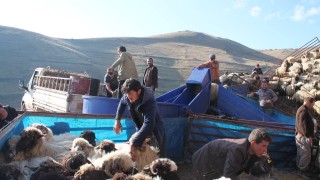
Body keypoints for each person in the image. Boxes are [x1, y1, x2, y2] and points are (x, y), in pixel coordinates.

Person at [113, 78, 166, 159]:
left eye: (130, 93)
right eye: (126, 94)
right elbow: (122, 102)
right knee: (140, 158)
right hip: (141, 129)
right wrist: (117, 120)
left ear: (139, 91)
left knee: (157, 158)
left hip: (154, 131)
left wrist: (134, 142)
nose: (128, 96)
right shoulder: (129, 96)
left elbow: (149, 124)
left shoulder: (149, 101)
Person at [192, 128, 272, 180]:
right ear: (253, 143)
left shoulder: (253, 151)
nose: (265, 150)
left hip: (219, 163)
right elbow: (229, 174)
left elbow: (250, 168)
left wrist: (266, 161)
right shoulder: (237, 150)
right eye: (263, 146)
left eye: (267, 146)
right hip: (205, 159)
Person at [295, 97, 318, 177]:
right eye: (312, 104)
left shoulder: (301, 109)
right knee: (306, 155)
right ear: (309, 103)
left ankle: (299, 169)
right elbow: (303, 126)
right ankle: (302, 172)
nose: (312, 106)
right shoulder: (303, 111)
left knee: (300, 153)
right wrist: (308, 136)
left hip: (300, 135)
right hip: (303, 136)